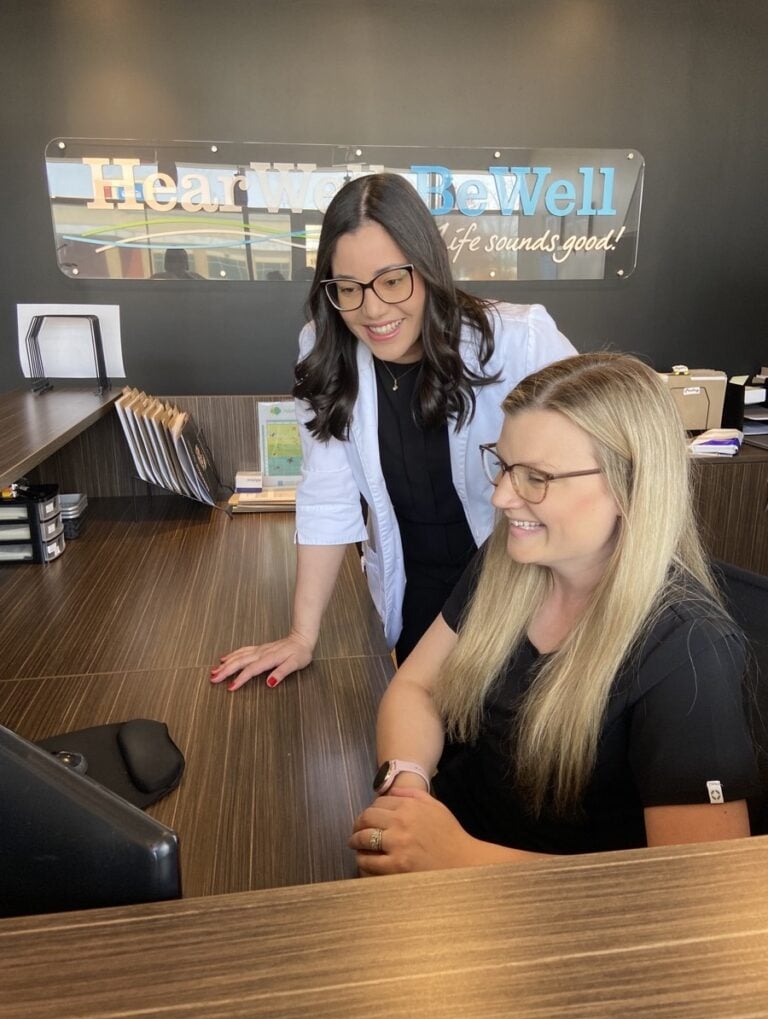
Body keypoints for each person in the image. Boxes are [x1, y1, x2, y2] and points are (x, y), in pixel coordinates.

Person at [348, 352, 759, 873]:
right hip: (446, 855)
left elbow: (697, 887)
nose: (500, 497)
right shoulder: (508, 563)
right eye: (502, 466)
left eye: (536, 478)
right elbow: (416, 686)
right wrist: (408, 791)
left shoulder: (688, 652)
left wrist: (458, 858)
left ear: (629, 485)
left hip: (558, 920)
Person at [211, 172, 574, 691]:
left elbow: (601, 471)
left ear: (427, 269)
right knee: (432, 740)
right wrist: (300, 635)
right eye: (348, 288)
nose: (373, 309)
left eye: (392, 280)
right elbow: (328, 495)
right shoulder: (324, 347)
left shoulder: (520, 341)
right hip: (420, 593)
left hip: (525, 591)